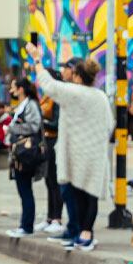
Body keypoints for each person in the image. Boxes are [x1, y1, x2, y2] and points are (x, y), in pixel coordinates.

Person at [26, 45, 113, 251]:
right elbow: (109, 124)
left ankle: (83, 233)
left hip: (75, 153)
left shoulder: (74, 92)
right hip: (95, 153)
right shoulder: (100, 96)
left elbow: (47, 84)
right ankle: (86, 233)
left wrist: (37, 59)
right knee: (90, 193)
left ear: (77, 76)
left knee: (77, 194)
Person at [5, 76, 44, 238]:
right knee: (23, 190)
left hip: (26, 153)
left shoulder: (31, 105)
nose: (10, 90)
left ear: (21, 89)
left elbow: (34, 125)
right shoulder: (22, 105)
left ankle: (26, 226)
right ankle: (25, 224)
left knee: (25, 190)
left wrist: (13, 128)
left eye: (13, 87)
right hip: (19, 153)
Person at [37, 70, 64, 235]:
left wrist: (41, 122)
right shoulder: (46, 97)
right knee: (48, 181)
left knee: (55, 182)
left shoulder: (58, 99)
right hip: (46, 141)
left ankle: (57, 218)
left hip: (55, 141)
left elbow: (57, 124)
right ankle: (49, 217)